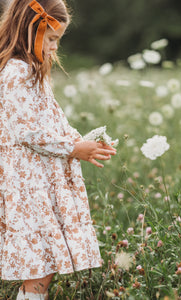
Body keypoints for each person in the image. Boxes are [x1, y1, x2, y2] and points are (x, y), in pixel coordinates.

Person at [0, 0, 117, 299]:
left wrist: (84, 142)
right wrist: (73, 148)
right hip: (27, 186)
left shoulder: (33, 71)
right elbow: (27, 132)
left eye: (57, 41)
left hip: (40, 181)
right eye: (51, 39)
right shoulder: (15, 73)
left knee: (45, 262)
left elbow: (52, 120)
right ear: (30, 29)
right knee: (38, 265)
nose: (54, 48)